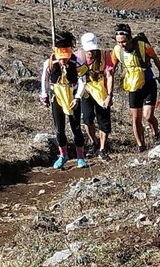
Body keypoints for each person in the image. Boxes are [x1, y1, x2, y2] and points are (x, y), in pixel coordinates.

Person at [107, 22, 160, 152]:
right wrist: (108, 86)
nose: (121, 45)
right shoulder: (116, 51)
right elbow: (112, 69)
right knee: (135, 118)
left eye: (123, 41)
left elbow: (155, 57)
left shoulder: (143, 46)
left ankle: (156, 133)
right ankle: (141, 145)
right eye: (118, 42)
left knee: (148, 116)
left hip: (148, 83)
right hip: (132, 86)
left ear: (129, 38)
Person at [40, 30, 87, 170]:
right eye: (61, 57)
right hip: (57, 96)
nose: (63, 60)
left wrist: (77, 98)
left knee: (76, 127)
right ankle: (63, 155)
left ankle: (80, 157)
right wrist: (44, 94)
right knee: (59, 129)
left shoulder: (76, 61)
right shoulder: (49, 62)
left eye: (65, 57)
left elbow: (83, 81)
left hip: (72, 96)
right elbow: (45, 79)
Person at [76, 31, 113, 159]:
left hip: (101, 90)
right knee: (87, 118)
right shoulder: (78, 57)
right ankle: (94, 142)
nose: (91, 52)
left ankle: (103, 148)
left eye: (92, 49)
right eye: (88, 50)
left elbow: (109, 75)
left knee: (103, 119)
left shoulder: (105, 55)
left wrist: (109, 95)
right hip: (86, 90)